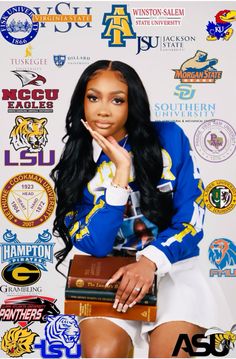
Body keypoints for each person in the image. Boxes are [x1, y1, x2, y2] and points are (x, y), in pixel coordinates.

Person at [51, 60, 229, 358]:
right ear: (81, 101)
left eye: (117, 99)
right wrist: (121, 171)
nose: (103, 109)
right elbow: (96, 244)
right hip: (109, 279)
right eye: (93, 97)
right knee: (102, 352)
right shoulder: (75, 165)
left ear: (132, 103)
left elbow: (192, 217)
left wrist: (149, 262)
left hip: (173, 274)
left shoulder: (169, 138)